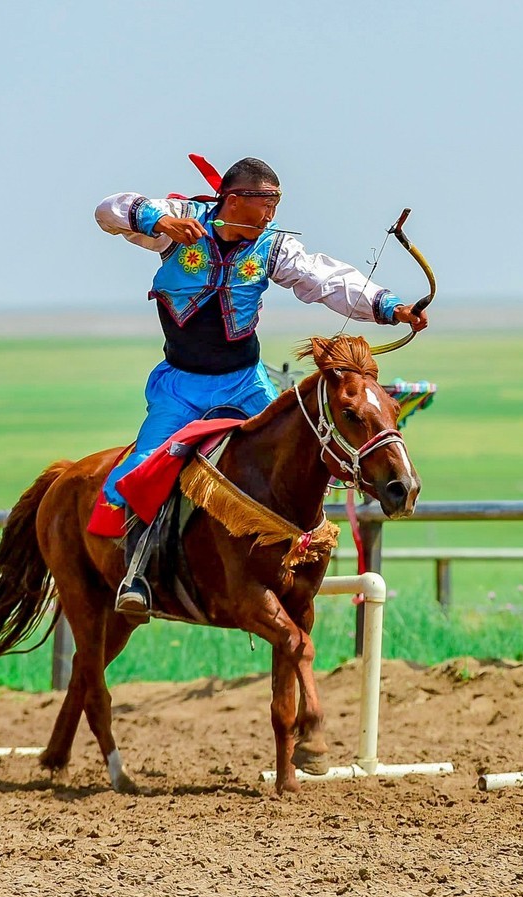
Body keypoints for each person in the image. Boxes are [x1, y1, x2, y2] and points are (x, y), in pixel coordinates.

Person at [94, 157, 428, 618]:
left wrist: (391, 307)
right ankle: (136, 575)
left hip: (245, 384)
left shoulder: (271, 248)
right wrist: (161, 218)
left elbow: (325, 279)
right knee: (141, 473)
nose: (270, 219)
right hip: (180, 389)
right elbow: (110, 209)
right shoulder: (179, 224)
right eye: (263, 207)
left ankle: (297, 563)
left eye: (275, 208)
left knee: (296, 455)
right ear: (233, 200)